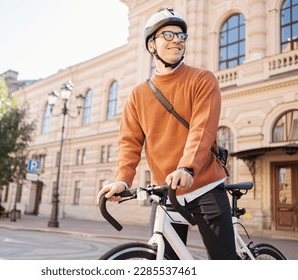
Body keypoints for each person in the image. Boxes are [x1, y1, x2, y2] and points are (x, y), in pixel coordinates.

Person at [96, 8, 236, 259]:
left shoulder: (202, 79)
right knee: (166, 262)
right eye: (168, 35)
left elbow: (202, 128)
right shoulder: (138, 95)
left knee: (224, 263)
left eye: (181, 36)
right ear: (152, 45)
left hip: (204, 185)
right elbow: (129, 142)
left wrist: (187, 167)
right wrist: (122, 180)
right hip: (166, 192)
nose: (177, 40)